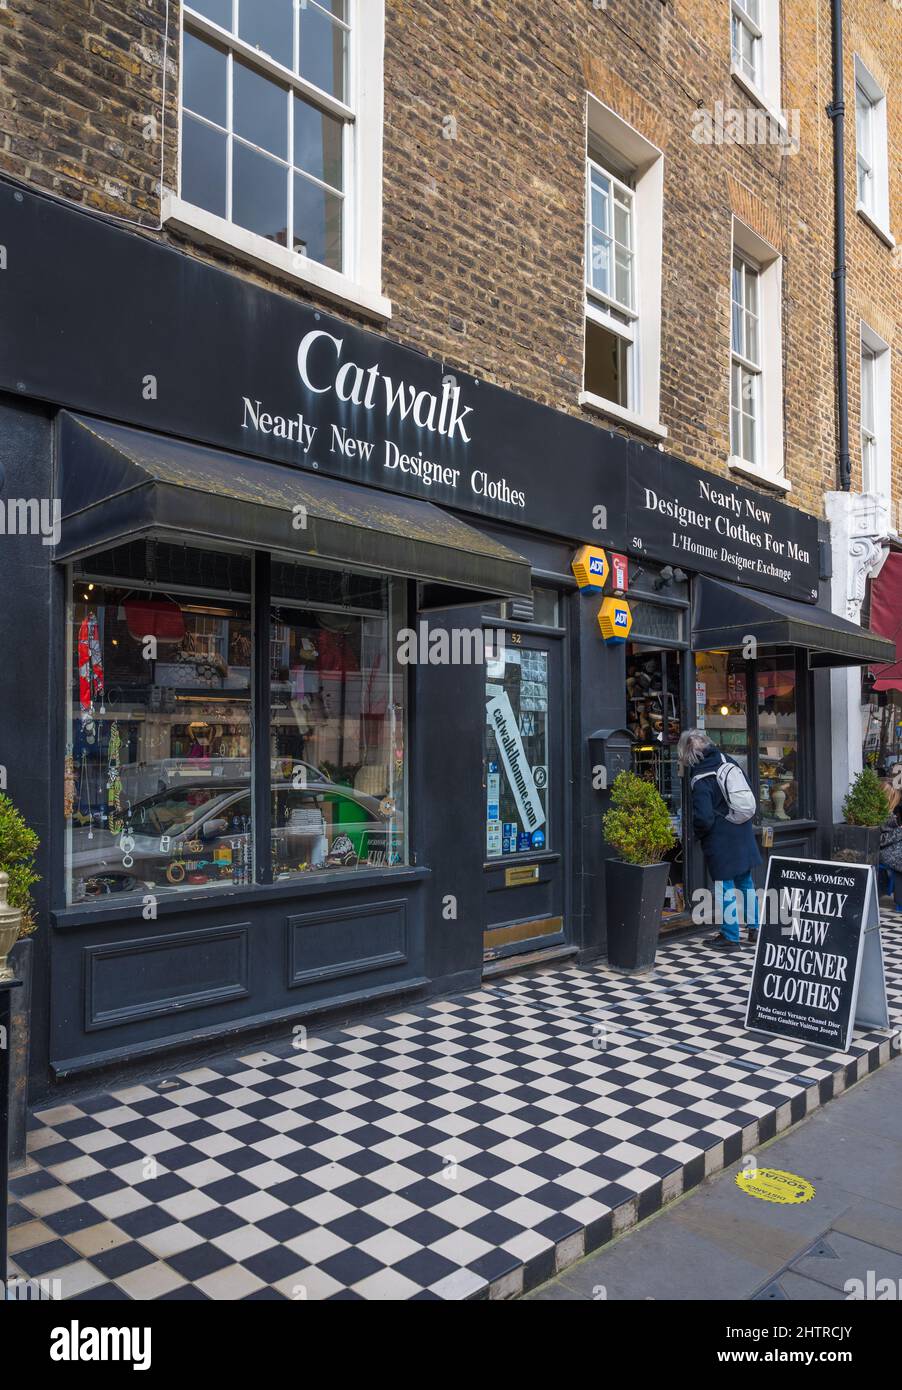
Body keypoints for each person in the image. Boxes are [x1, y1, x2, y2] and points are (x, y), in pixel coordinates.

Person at [678, 729, 762, 951]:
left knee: (724, 886)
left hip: (721, 837)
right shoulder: (727, 760)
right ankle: (755, 928)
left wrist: (696, 833)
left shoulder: (700, 777)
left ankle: (730, 936)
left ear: (688, 754)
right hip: (741, 828)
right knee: (745, 881)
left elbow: (704, 818)